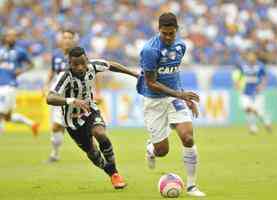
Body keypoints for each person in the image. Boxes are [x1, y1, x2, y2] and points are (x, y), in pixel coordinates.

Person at [46, 46, 139, 189]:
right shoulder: (65, 76)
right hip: (72, 121)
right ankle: (110, 172)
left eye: (83, 62)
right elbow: (50, 98)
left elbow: (111, 65)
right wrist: (72, 100)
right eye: (75, 64)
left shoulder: (93, 66)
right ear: (69, 63)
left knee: (100, 133)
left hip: (90, 111)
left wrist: (133, 73)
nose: (80, 67)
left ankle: (115, 173)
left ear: (87, 59)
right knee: (92, 153)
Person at [136, 12, 205, 197]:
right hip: (153, 101)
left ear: (177, 31)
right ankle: (151, 148)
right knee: (162, 151)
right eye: (164, 33)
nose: (168, 37)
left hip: (174, 98)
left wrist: (184, 98)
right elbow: (151, 82)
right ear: (159, 30)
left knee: (188, 138)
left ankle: (192, 186)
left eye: (171, 34)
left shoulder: (181, 46)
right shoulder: (150, 50)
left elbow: (174, 74)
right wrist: (180, 94)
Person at [43, 29, 76, 163]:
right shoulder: (56, 55)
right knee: (57, 126)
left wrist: (97, 92)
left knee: (83, 128)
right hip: (59, 96)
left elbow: (91, 71)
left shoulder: (78, 55)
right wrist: (46, 85)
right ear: (61, 40)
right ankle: (55, 154)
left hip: (76, 95)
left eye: (70, 38)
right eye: (65, 37)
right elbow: (52, 71)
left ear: (74, 40)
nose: (67, 40)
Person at [0, 28, 39, 135]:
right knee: (7, 117)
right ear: (5, 37)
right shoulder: (1, 50)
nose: (12, 38)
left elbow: (31, 64)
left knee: (1, 113)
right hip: (1, 84)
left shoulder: (20, 51)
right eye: (9, 35)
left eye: (14, 36)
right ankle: (32, 124)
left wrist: (21, 70)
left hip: (9, 85)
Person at [233, 51, 272, 134]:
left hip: (256, 92)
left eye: (252, 56)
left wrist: (262, 86)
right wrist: (237, 83)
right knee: (247, 109)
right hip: (246, 91)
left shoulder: (260, 66)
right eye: (249, 56)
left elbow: (265, 77)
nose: (250, 58)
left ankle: (265, 122)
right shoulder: (243, 66)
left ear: (255, 57)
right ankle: (253, 127)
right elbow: (239, 76)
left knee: (257, 111)